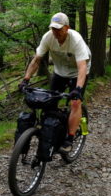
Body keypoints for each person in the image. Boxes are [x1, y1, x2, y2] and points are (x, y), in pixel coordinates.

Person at [18, 12, 91, 153]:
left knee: (75, 103)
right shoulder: (48, 37)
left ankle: (69, 139)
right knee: (49, 101)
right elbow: (36, 60)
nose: (56, 32)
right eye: (53, 28)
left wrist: (78, 89)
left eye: (59, 29)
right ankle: (53, 130)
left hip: (79, 71)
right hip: (60, 71)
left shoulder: (75, 40)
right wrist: (25, 79)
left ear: (67, 28)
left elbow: (82, 66)